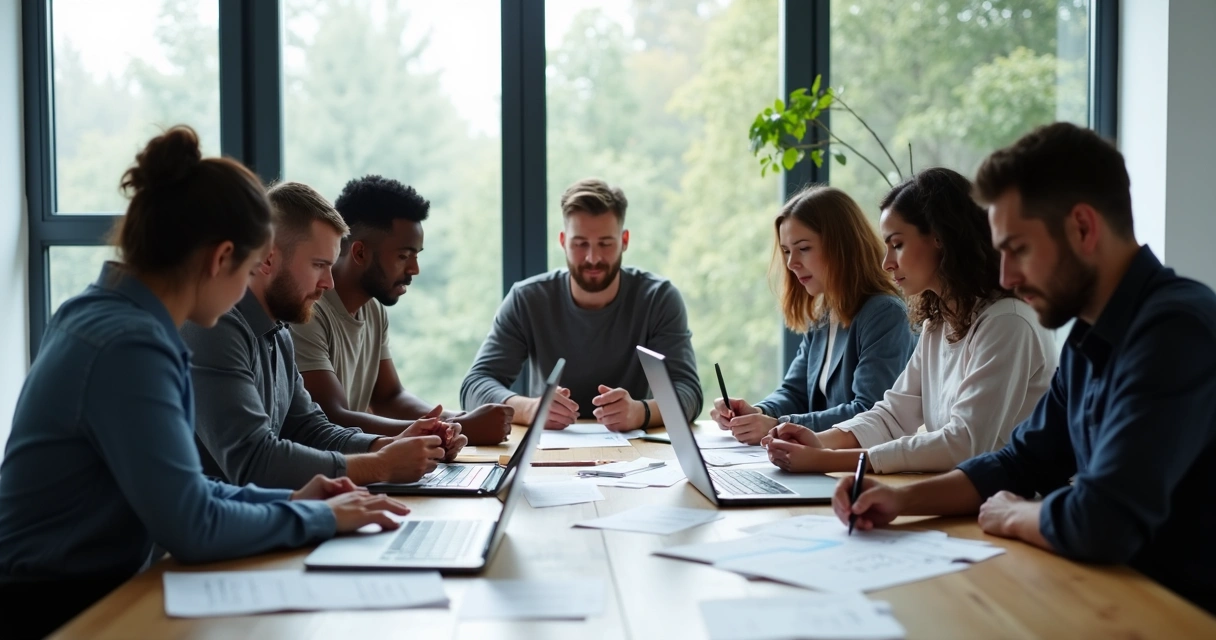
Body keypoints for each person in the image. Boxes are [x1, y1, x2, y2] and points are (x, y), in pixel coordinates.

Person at [0, 127, 410, 640]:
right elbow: (192, 525)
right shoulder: (130, 344)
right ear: (220, 260)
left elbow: (189, 491)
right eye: (247, 269)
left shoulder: (113, 318)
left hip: (92, 593)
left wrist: (296, 503)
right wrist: (323, 518)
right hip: (57, 612)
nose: (247, 289)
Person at [832, 122, 1216, 615]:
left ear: (1082, 227)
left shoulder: (1176, 330)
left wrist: (1018, 514)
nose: (1006, 275)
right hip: (1110, 593)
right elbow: (1019, 460)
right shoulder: (1088, 334)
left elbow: (1103, 520)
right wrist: (901, 501)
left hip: (1178, 613)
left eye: (1017, 249)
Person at [764, 167, 1057, 473]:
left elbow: (964, 444)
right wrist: (820, 441)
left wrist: (829, 459)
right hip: (969, 496)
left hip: (1017, 505)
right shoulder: (938, 323)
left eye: (897, 244)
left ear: (940, 238)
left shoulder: (1007, 323)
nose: (886, 262)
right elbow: (893, 414)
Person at [182, 181, 467, 490]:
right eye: (319, 265)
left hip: (262, 523)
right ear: (268, 259)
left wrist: (393, 445)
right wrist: (382, 464)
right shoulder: (213, 327)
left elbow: (311, 430)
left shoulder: (279, 330)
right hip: (210, 534)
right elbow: (254, 462)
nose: (329, 283)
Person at [460, 178, 702, 431]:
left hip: (637, 454)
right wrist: (531, 408)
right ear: (563, 241)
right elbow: (475, 385)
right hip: (548, 453)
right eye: (580, 244)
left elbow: (689, 393)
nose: (592, 258)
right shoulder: (527, 299)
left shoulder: (658, 299)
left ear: (625, 240)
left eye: (606, 244)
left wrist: (639, 412)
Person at [291, 175, 514, 446]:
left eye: (416, 255)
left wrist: (453, 423)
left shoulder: (372, 310)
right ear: (359, 253)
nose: (414, 269)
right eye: (403, 256)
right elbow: (331, 418)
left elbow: (390, 397)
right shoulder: (307, 311)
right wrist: (459, 427)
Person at [710, 186, 915, 445]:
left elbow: (867, 413)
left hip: (861, 469)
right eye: (786, 251)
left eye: (803, 248)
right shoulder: (824, 314)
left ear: (842, 246)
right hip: (825, 464)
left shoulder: (884, 314)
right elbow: (794, 392)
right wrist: (758, 413)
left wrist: (777, 425)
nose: (791, 262)